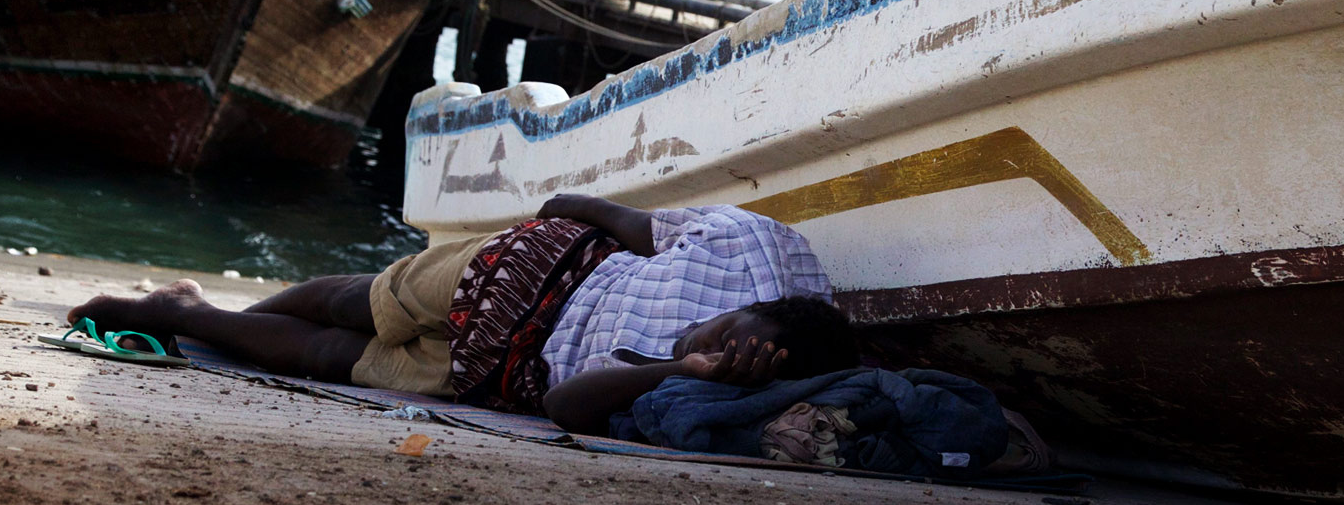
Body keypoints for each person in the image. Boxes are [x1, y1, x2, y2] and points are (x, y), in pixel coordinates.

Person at [65, 193, 858, 434]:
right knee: (360, 300)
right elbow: (622, 220)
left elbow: (564, 405)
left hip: (506, 367)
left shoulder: (715, 383)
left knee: (333, 356)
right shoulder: (750, 245)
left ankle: (189, 313)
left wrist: (690, 366)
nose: (704, 339)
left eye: (717, 348)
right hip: (531, 268)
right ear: (761, 302)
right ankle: (213, 312)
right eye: (723, 331)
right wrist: (555, 215)